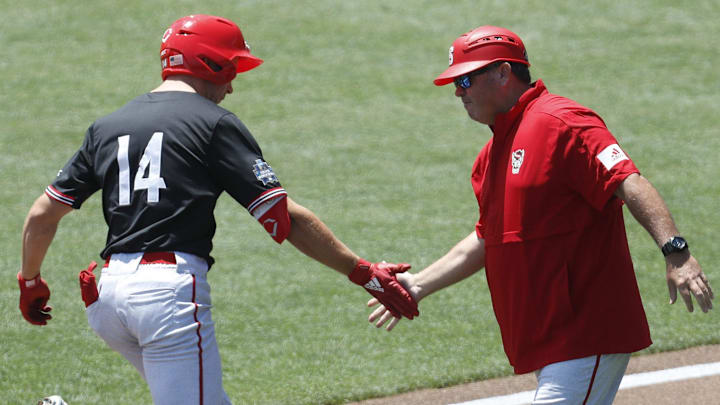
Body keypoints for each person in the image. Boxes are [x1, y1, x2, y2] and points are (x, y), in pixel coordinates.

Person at [17, 14, 418, 405]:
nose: (231, 87)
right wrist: (362, 272)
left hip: (108, 297)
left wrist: (31, 280)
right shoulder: (213, 123)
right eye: (232, 69)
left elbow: (41, 215)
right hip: (166, 298)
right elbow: (284, 217)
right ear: (210, 63)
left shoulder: (106, 126)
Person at [367, 25, 713, 404]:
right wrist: (418, 286)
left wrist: (676, 253)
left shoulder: (561, 122)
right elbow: (489, 238)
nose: (458, 92)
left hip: (585, 333)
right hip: (548, 341)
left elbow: (627, 180)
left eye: (466, 80)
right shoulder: (490, 157)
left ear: (503, 72)